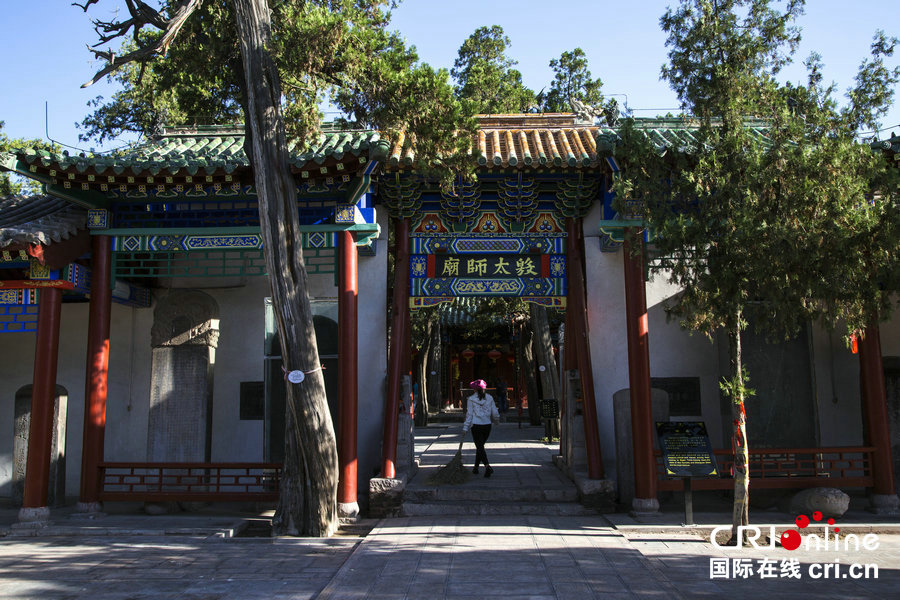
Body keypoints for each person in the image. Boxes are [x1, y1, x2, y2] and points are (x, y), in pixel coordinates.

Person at [462, 379, 500, 477]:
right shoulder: (490, 398)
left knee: (479, 446)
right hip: (487, 425)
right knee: (480, 447)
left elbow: (469, 414)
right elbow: (495, 412)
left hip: (476, 425)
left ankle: (487, 466)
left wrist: (465, 427)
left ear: (475, 389)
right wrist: (496, 421)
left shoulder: (471, 399)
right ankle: (476, 468)